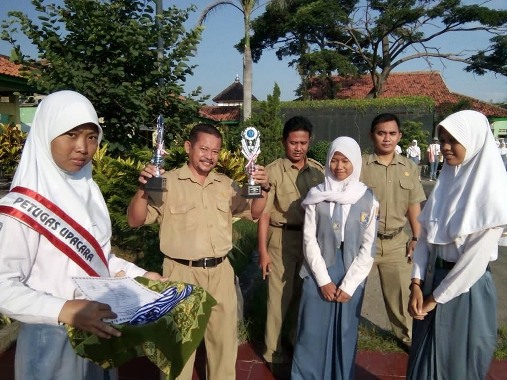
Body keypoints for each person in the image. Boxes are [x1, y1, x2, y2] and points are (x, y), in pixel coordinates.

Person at [0, 90, 164, 380]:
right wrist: (64, 310)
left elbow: (101, 260)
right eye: (71, 135)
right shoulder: (20, 208)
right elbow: (4, 286)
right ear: (46, 133)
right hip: (50, 340)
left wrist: (139, 275)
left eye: (91, 136)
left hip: (98, 334)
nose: (83, 147)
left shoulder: (89, 190)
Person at [127, 123, 270, 380]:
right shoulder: (166, 181)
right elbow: (135, 220)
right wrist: (143, 189)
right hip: (181, 273)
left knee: (224, 346)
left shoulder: (225, 184)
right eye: (203, 148)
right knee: (178, 347)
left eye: (215, 151)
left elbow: (255, 211)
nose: (209, 156)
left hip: (221, 273)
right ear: (188, 147)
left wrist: (263, 187)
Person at [407, 110, 507, 379]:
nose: (446, 148)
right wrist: (415, 283)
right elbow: (425, 237)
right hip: (431, 281)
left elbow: (474, 263)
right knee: (424, 359)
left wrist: (433, 299)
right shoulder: (446, 182)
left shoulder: (493, 194)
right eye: (442, 140)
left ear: (474, 141)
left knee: (456, 364)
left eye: (453, 140)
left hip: (466, 291)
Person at [291, 137, 378, 379]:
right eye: (334, 160)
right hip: (318, 270)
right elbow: (309, 240)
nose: (339, 167)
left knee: (345, 331)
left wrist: (350, 285)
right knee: (311, 330)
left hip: (351, 272)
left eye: (345, 161)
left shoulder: (368, 198)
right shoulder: (316, 196)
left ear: (356, 163)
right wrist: (323, 280)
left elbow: (368, 247)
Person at [257, 116, 324, 366]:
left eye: (303, 143)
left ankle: (293, 341)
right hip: (280, 239)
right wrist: (262, 251)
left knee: (302, 294)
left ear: (309, 142)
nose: (298, 148)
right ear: (284, 142)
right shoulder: (272, 171)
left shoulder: (318, 171)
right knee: (278, 298)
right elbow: (263, 214)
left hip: (309, 241)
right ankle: (272, 352)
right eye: (293, 142)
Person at [360, 113, 426, 351]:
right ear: (371, 135)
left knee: (399, 295)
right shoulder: (359, 166)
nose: (386, 139)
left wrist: (417, 237)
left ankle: (406, 337)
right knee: (352, 290)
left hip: (397, 241)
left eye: (391, 133)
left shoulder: (409, 167)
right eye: (381, 133)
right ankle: (344, 332)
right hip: (363, 242)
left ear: (399, 136)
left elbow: (413, 205)